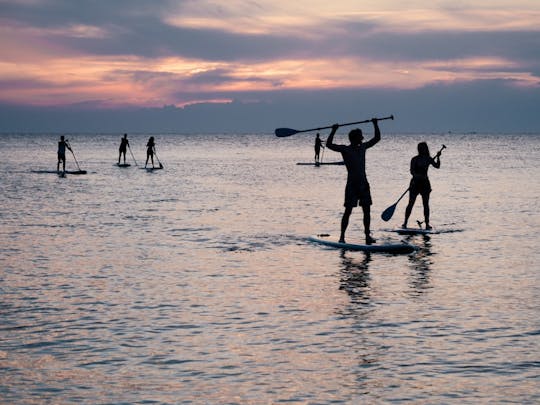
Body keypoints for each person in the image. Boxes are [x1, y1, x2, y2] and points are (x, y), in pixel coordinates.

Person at [326, 119, 381, 244]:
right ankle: (342, 237)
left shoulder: (363, 147)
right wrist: (333, 130)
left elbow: (377, 138)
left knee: (366, 210)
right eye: (360, 137)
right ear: (355, 138)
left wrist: (375, 124)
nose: (362, 138)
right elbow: (329, 145)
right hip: (352, 185)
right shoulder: (346, 149)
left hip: (363, 184)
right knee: (348, 211)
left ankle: (367, 236)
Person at [402, 142, 441, 230]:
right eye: (421, 148)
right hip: (415, 184)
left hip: (425, 184)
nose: (422, 150)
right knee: (410, 203)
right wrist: (417, 176)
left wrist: (438, 157)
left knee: (426, 204)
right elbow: (412, 171)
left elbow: (437, 166)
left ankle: (427, 224)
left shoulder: (428, 159)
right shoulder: (414, 159)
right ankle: (405, 223)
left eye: (424, 148)